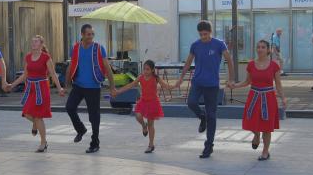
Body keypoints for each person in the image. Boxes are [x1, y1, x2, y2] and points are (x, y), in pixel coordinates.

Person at [175, 20, 235, 158]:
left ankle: (209, 146)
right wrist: (181, 78)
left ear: (210, 32)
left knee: (212, 115)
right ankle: (202, 117)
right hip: (197, 82)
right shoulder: (195, 45)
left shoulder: (219, 44)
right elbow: (188, 62)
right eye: (201, 34)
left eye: (205, 34)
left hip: (212, 85)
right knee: (191, 102)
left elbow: (229, 61)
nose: (203, 37)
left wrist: (231, 79)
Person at [7, 35, 65, 152]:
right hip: (30, 88)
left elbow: (53, 74)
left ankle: (43, 142)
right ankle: (35, 125)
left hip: (42, 88)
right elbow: (25, 75)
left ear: (41, 44)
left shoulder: (45, 57)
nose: (33, 43)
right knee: (27, 113)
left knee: (38, 116)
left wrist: (60, 88)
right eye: (32, 41)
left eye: (36, 42)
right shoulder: (28, 57)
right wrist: (12, 85)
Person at [230, 40, 286, 160]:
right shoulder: (251, 65)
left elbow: (278, 84)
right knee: (249, 121)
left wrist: (283, 98)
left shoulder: (274, 65)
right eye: (258, 47)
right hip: (254, 97)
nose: (260, 49)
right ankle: (256, 135)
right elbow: (247, 82)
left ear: (268, 50)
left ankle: (265, 152)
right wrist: (235, 85)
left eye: (263, 47)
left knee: (267, 127)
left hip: (269, 98)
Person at [65, 24, 116, 154]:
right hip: (78, 85)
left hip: (93, 87)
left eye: (92, 34)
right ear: (82, 35)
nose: (91, 36)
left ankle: (95, 143)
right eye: (88, 34)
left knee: (94, 116)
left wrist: (112, 87)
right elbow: (71, 66)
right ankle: (81, 129)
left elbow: (107, 68)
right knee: (70, 107)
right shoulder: (75, 48)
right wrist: (67, 84)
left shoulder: (99, 48)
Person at [113, 60, 171, 153]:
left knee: (151, 124)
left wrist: (176, 85)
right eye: (144, 69)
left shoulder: (155, 78)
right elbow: (130, 85)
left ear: (152, 70)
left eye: (147, 69)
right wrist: (118, 91)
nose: (145, 71)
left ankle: (151, 145)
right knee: (138, 116)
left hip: (153, 103)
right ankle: (144, 126)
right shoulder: (141, 77)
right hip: (143, 101)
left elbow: (166, 86)